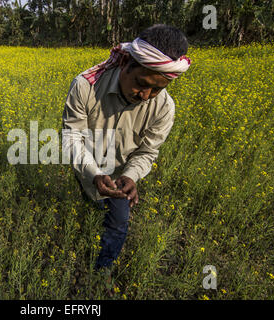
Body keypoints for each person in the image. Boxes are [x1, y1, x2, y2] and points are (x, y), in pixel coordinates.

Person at [62, 24, 191, 270]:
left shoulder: (164, 108)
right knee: (89, 203)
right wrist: (94, 174)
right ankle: (88, 226)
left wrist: (131, 176)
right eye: (142, 84)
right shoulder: (85, 87)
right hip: (86, 167)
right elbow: (72, 138)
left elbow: (148, 151)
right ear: (125, 63)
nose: (146, 95)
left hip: (119, 177)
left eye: (157, 89)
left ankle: (102, 271)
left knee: (118, 222)